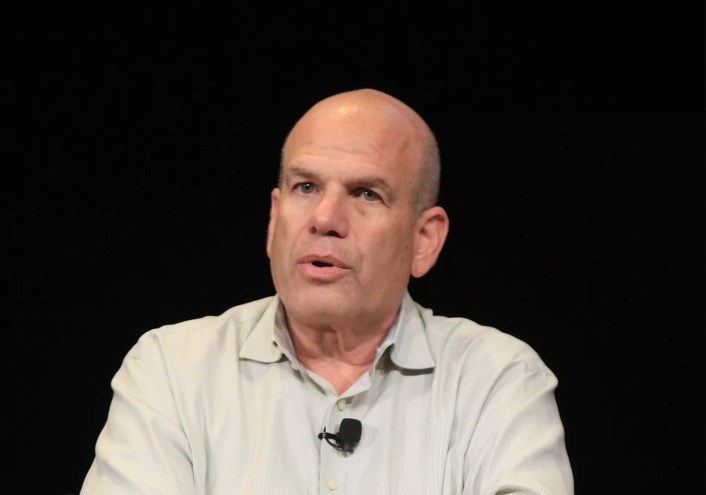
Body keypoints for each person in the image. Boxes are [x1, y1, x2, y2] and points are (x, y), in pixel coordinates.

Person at [80, 88, 574, 494]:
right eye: (306, 187)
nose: (324, 219)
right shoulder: (171, 370)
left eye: (366, 194)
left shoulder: (497, 380)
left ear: (424, 240)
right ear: (274, 219)